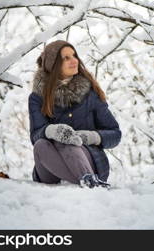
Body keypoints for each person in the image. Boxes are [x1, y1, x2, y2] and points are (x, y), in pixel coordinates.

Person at [28, 40, 121, 188]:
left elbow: (115, 134)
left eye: (74, 55)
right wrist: (51, 131)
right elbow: (35, 136)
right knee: (41, 145)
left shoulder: (90, 94)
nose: (74, 60)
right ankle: (85, 182)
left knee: (67, 142)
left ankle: (89, 180)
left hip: (89, 161)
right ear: (54, 65)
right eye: (66, 58)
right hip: (50, 167)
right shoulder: (37, 98)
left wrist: (91, 137)